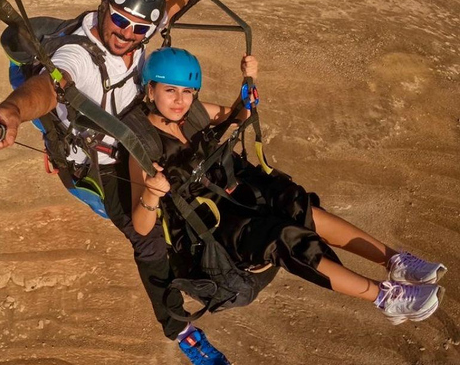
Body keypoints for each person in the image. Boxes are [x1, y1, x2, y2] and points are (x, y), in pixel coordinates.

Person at [0, 0, 231, 364]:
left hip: (139, 134)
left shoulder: (140, 32)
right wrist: (12, 110)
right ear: (104, 10)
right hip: (101, 163)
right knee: (148, 239)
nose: (127, 33)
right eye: (119, 21)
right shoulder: (78, 55)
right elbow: (47, 87)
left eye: (138, 28)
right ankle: (180, 329)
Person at [127, 47, 446, 346]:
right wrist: (153, 194)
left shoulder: (194, 113)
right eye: (170, 90)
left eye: (187, 91)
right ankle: (385, 298)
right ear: (150, 90)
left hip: (237, 191)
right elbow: (141, 228)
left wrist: (247, 88)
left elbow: (236, 116)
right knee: (281, 237)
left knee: (294, 202)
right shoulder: (144, 148)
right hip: (213, 226)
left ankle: (394, 260)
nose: (180, 100)